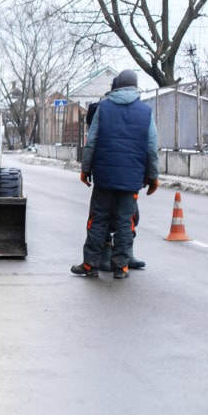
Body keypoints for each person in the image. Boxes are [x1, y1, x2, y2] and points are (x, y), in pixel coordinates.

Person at [73, 69, 159, 279]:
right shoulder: (145, 112)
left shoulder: (103, 108)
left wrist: (85, 170)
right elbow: (151, 147)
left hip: (104, 176)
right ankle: (121, 267)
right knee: (124, 221)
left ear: (116, 86)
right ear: (135, 87)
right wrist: (153, 177)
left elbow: (91, 142)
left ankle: (90, 265)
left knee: (98, 219)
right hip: (131, 179)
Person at [86, 92, 146, 271]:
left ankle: (124, 255)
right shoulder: (101, 108)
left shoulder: (137, 111)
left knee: (128, 217)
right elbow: (92, 141)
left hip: (127, 175)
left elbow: (146, 144)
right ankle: (106, 255)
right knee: (103, 217)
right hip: (108, 174)